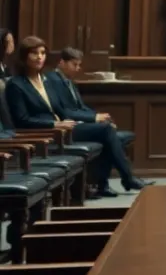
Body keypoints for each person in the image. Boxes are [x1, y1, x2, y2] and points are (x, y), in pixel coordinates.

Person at [4, 36, 151, 193]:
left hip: (64, 127)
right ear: (24, 56)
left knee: (105, 128)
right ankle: (126, 178)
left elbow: (61, 110)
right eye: (34, 53)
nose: (40, 57)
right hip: (48, 133)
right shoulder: (16, 84)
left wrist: (83, 121)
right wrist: (54, 124)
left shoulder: (45, 79)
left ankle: (106, 183)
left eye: (42, 53)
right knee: (106, 130)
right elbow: (22, 120)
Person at [45, 46, 136, 198]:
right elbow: (65, 111)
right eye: (75, 64)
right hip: (66, 127)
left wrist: (98, 116)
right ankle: (127, 178)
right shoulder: (53, 80)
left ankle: (103, 185)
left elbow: (81, 107)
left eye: (79, 65)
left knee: (110, 133)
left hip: (78, 123)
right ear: (62, 62)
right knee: (107, 132)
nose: (78, 68)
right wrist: (95, 119)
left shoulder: (68, 81)